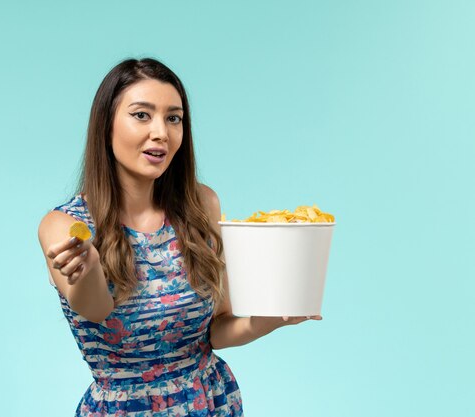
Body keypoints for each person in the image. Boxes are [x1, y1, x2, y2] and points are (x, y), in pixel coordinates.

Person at [37, 57, 321, 416]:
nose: (161, 132)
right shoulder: (63, 225)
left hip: (211, 402)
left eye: (174, 118)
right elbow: (94, 309)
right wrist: (91, 266)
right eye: (142, 115)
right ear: (106, 124)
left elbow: (217, 329)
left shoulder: (202, 204)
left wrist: (276, 316)